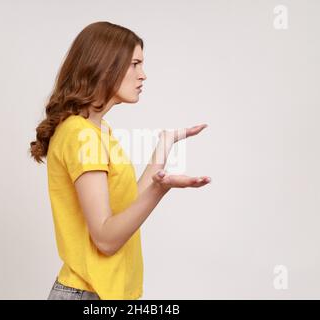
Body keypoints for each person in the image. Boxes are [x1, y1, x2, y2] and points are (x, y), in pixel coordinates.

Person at [29, 21, 211, 300]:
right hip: (87, 294)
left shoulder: (97, 131)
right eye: (135, 64)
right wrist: (160, 189)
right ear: (105, 66)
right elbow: (106, 238)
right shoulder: (81, 135)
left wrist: (164, 146)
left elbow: (124, 209)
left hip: (103, 293)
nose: (144, 75)